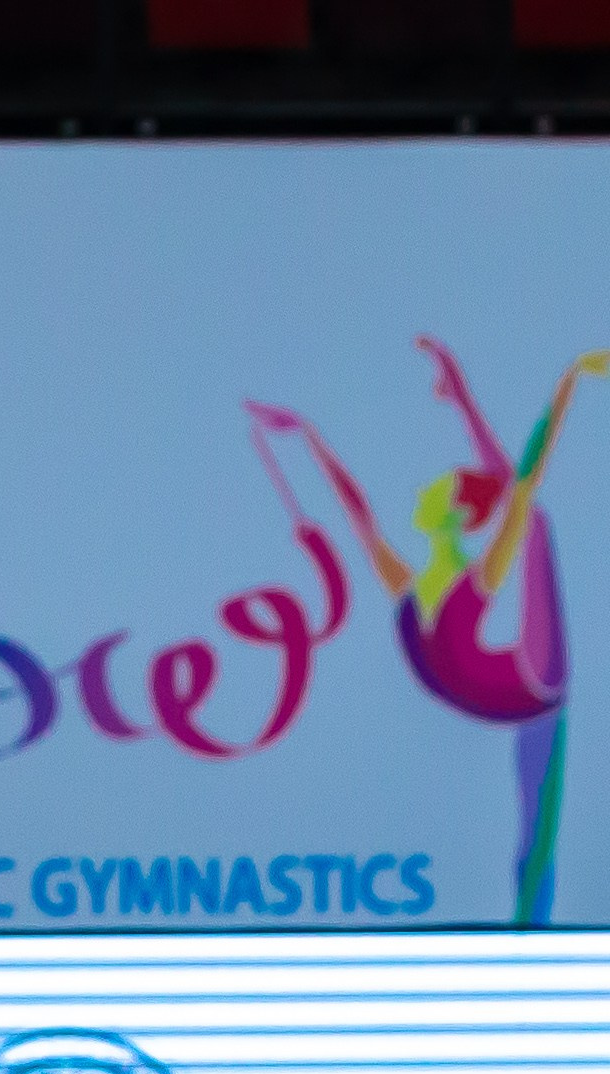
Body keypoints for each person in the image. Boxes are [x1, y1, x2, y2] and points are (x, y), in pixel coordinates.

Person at [246, 336, 607, 925]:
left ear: (459, 515)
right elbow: (358, 517)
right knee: (530, 843)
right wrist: (309, 438)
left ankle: (534, 947)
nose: (421, 490)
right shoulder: (414, 593)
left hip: (530, 684)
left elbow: (522, 485)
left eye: (436, 488)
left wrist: (561, 387)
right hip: (491, 689)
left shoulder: (470, 585)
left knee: (532, 518)